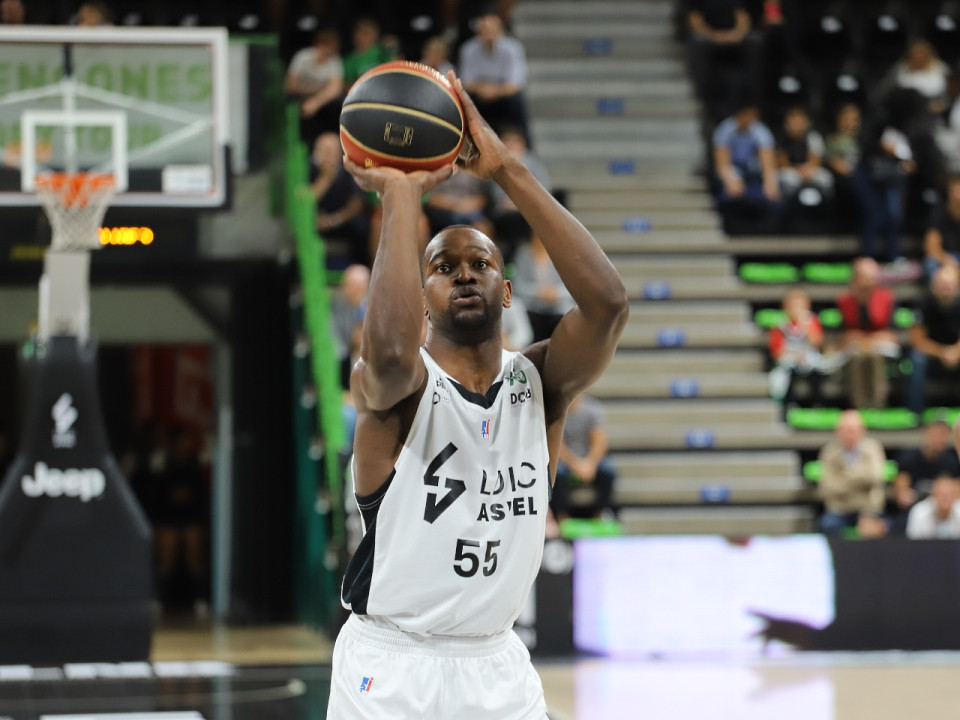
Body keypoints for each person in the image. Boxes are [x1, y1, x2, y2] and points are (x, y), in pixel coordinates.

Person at [327, 72, 628, 719]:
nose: (464, 272)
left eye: (481, 263)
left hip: (498, 665)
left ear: (507, 289)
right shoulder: (400, 391)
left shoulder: (541, 384)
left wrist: (507, 171)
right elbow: (388, 353)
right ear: (423, 296)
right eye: (443, 267)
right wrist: (401, 191)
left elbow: (608, 305)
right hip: (394, 664)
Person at [836, 257, 899, 408]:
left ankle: (878, 403)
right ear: (855, 279)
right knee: (858, 356)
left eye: (873, 278)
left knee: (874, 356)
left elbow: (891, 334)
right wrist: (867, 338)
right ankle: (858, 405)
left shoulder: (887, 298)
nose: (869, 283)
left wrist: (864, 338)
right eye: (865, 278)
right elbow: (844, 335)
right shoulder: (845, 300)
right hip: (855, 348)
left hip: (881, 347)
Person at [685, 0, 762, 121]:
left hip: (734, 36)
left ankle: (755, 86)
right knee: (698, 41)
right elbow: (695, 20)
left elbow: (742, 17)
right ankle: (701, 88)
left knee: (755, 40)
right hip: (709, 37)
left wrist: (736, 34)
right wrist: (714, 36)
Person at [712, 100, 780, 233]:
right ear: (739, 115)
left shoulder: (760, 130)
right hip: (733, 168)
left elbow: (767, 161)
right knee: (730, 189)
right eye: (747, 115)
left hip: (752, 171)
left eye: (753, 116)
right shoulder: (725, 130)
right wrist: (731, 180)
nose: (750, 119)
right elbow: (722, 163)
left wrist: (770, 183)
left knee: (771, 191)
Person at [458, 10, 529, 137]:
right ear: (478, 32)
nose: (489, 34)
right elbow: (466, 81)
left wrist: (495, 91)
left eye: (492, 30)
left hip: (504, 95)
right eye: (485, 30)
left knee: (517, 102)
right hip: (479, 95)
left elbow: (516, 83)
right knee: (464, 101)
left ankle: (521, 142)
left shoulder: (513, 48)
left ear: (500, 30)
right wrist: (484, 89)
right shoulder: (468, 49)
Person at [817, 410, 887, 536]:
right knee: (827, 524)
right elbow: (828, 487)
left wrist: (844, 478)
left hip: (868, 508)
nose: (850, 434)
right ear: (838, 431)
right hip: (840, 510)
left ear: (862, 430)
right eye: (846, 430)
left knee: (880, 527)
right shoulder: (829, 452)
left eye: (853, 430)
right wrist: (860, 478)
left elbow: (875, 478)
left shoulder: (873, 448)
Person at [549, 394, 617, 522]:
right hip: (566, 461)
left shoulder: (592, 409)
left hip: (589, 460)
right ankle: (560, 516)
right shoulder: (557, 410)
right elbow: (557, 445)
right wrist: (575, 464)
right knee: (556, 473)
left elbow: (600, 442)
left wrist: (590, 464)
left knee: (608, 471)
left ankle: (601, 513)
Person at [487, 126, 551, 261]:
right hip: (504, 215)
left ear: (522, 144)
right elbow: (496, 195)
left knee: (543, 228)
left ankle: (542, 271)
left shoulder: (534, 164)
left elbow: (544, 192)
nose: (511, 146)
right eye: (507, 142)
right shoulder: (494, 164)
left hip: (529, 213)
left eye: (515, 142)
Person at [907, 264, 960, 413]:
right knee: (917, 360)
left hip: (955, 355)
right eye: (942, 284)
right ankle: (916, 415)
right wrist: (943, 353)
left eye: (949, 285)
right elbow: (918, 341)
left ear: (957, 286)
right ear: (933, 285)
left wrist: (954, 353)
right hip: (932, 356)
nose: (946, 288)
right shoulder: (923, 304)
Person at [310, 132, 369, 263]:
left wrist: (333, 220)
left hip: (341, 221)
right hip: (315, 222)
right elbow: (308, 200)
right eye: (323, 151)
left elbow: (357, 203)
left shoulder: (349, 170)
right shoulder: (309, 170)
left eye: (331, 152)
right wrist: (326, 178)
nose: (327, 156)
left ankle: (361, 265)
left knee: (360, 226)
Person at [892, 419, 960, 533]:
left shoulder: (951, 462)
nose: (940, 439)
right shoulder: (909, 458)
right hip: (916, 508)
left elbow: (957, 492)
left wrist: (942, 497)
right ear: (927, 433)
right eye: (936, 434)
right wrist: (908, 496)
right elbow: (901, 494)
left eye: (943, 435)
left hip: (946, 510)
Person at [768, 288, 826, 413]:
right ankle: (789, 405)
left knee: (816, 372)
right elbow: (776, 352)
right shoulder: (780, 324)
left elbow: (817, 342)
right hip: (790, 361)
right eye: (792, 305)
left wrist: (804, 325)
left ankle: (816, 405)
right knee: (788, 375)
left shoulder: (811, 321)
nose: (796, 308)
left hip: (808, 359)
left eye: (799, 305)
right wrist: (794, 355)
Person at [511, 234, 576, 343]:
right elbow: (517, 285)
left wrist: (556, 292)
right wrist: (539, 292)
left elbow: (572, 285)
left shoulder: (562, 256)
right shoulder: (523, 254)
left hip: (557, 307)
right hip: (531, 307)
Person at [286, 28, 344, 143]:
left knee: (338, 103)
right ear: (318, 44)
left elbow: (335, 88)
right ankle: (299, 143)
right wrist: (315, 90)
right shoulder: (302, 57)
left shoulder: (335, 60)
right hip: (301, 97)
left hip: (322, 101)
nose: (328, 51)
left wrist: (315, 102)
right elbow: (291, 85)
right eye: (326, 46)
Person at [775, 105, 833, 202]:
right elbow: (781, 162)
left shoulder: (813, 137)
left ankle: (826, 205)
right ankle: (788, 205)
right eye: (793, 122)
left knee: (826, 178)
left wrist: (806, 169)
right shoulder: (782, 139)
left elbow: (816, 160)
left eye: (799, 122)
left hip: (808, 169)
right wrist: (796, 169)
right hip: (791, 170)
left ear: (806, 122)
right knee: (788, 179)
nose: (796, 125)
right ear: (786, 124)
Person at [343, 17, 397, 90]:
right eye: (361, 33)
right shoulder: (349, 60)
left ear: (376, 34)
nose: (364, 37)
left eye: (367, 33)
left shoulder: (383, 51)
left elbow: (398, 68)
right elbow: (347, 85)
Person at [924, 174, 960, 279]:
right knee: (930, 264)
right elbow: (931, 246)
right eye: (956, 191)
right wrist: (947, 261)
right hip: (945, 256)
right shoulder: (939, 213)